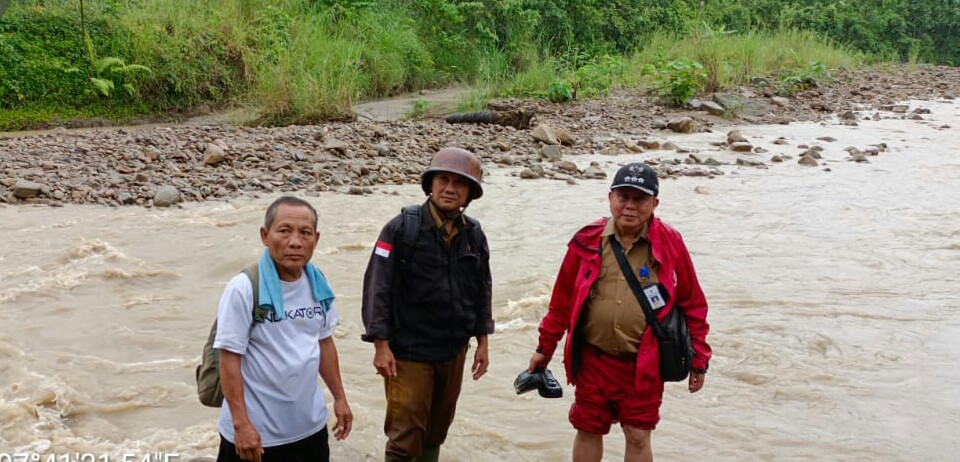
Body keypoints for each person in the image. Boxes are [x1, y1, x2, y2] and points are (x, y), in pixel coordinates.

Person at [527, 163, 711, 462]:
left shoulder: (671, 243)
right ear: (610, 197)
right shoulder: (587, 240)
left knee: (638, 436)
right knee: (587, 428)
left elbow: (693, 304)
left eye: (639, 199)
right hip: (592, 360)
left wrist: (699, 361)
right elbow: (561, 303)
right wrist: (543, 349)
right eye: (623, 196)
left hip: (644, 364)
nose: (630, 206)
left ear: (655, 204)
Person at [361, 147, 494, 462]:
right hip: (409, 353)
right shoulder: (400, 228)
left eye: (459, 184)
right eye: (443, 180)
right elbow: (377, 287)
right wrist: (380, 344)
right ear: (430, 185)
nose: (450, 189)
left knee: (436, 431)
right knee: (405, 437)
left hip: (453, 351)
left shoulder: (473, 234)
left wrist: (482, 341)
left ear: (469, 194)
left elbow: (482, 289)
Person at [214, 196, 352, 462]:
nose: (295, 242)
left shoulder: (318, 284)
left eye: (305, 233)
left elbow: (324, 342)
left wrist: (340, 399)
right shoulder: (243, 288)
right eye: (284, 231)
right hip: (258, 434)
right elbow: (229, 358)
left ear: (317, 239)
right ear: (265, 236)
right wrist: (241, 425)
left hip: (309, 429)